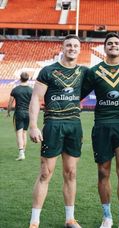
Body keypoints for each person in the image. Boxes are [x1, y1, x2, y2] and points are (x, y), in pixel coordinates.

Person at [81, 32, 119, 228]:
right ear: (104, 47)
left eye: (117, 43)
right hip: (101, 126)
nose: (113, 45)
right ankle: (107, 217)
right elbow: (78, 94)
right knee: (102, 172)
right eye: (109, 43)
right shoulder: (94, 71)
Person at [28, 34, 89, 228]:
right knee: (46, 173)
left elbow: (110, 75)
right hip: (53, 124)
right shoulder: (48, 71)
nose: (72, 48)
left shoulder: (85, 72)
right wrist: (33, 125)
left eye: (75, 46)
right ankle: (34, 221)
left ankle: (70, 218)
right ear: (62, 48)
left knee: (71, 172)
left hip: (74, 124)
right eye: (68, 45)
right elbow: (36, 98)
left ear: (80, 49)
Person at [7, 72, 33, 160]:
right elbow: (33, 103)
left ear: (20, 78)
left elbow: (10, 103)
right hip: (28, 113)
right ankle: (23, 152)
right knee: (24, 132)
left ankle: (21, 153)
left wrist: (8, 112)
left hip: (19, 112)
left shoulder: (15, 89)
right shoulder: (31, 90)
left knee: (19, 132)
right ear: (28, 79)